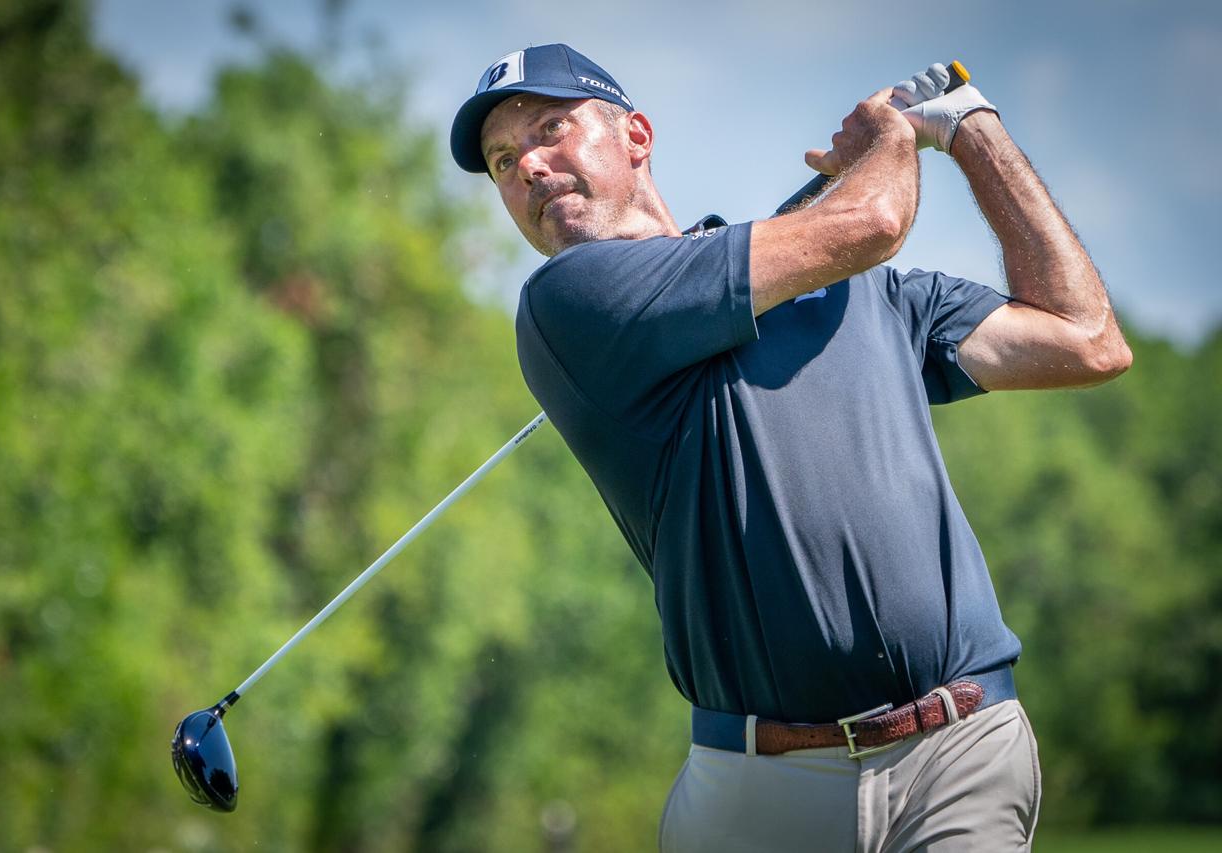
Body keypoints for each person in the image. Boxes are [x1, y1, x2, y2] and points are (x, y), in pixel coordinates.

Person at [450, 43, 1130, 852]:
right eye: (501, 160)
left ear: (636, 135)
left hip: (959, 750)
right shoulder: (570, 300)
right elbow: (873, 221)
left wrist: (973, 130)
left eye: (551, 129)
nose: (527, 164)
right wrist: (892, 137)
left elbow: (1085, 339)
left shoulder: (864, 294)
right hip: (761, 790)